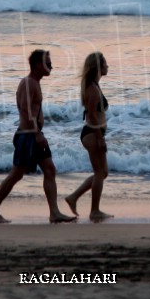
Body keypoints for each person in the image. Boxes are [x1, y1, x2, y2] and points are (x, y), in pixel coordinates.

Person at [0, 49, 76, 224]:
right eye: (47, 63)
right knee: (16, 174)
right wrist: (37, 133)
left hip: (33, 134)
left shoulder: (35, 82)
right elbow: (26, 110)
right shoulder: (28, 83)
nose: (51, 66)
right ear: (36, 64)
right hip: (28, 135)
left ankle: (54, 213)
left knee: (50, 170)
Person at [64, 52, 112, 222]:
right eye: (105, 63)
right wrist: (100, 137)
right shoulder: (92, 88)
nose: (108, 66)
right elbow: (91, 115)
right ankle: (95, 211)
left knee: (103, 172)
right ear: (98, 66)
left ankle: (74, 197)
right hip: (92, 133)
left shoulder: (94, 85)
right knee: (99, 173)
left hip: (94, 132)